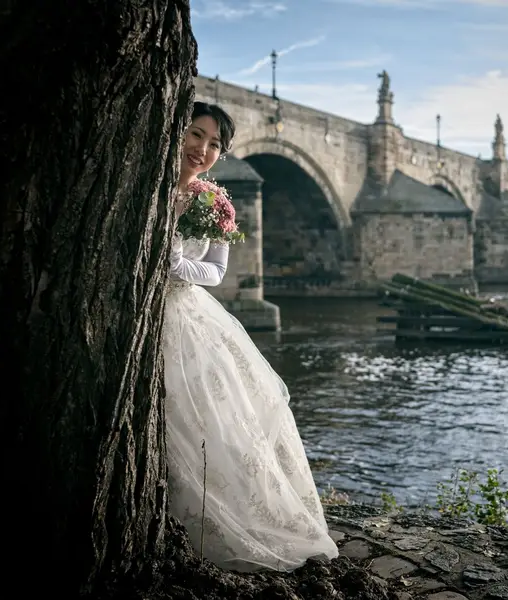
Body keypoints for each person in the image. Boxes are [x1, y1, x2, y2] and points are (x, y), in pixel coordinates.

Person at [163, 102, 339, 572]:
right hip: (146, 316)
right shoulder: (146, 185)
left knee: (218, 421)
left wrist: (173, 264)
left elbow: (217, 272)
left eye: (214, 144)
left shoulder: (216, 202)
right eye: (195, 134)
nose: (202, 148)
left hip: (187, 311)